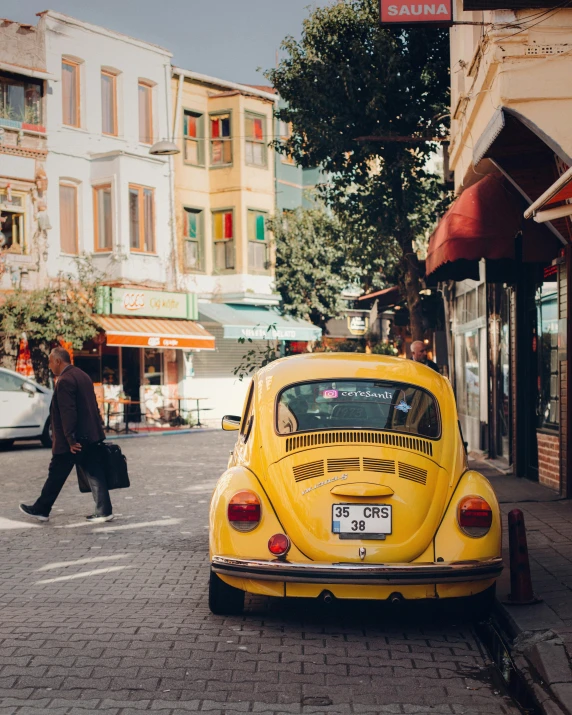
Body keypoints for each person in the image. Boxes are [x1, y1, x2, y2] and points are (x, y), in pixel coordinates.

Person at [19, 347, 113, 523]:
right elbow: (93, 405)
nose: (49, 366)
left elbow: (67, 412)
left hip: (74, 440)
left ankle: (42, 509)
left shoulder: (65, 380)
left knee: (59, 472)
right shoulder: (82, 375)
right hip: (89, 435)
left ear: (58, 361)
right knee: (92, 472)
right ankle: (104, 510)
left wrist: (70, 439)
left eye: (49, 361)